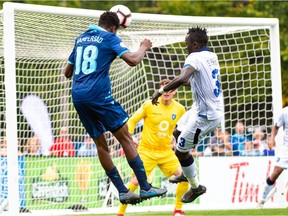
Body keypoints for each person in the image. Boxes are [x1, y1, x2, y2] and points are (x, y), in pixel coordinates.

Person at [64, 11, 167, 205]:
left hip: (78, 96)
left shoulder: (81, 39)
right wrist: (143, 47)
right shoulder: (109, 37)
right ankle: (145, 187)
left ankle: (122, 191)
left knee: (101, 144)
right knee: (125, 138)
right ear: (113, 27)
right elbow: (133, 60)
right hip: (98, 96)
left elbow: (67, 72)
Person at [152, 26, 224, 203]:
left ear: (195, 44)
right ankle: (186, 173)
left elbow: (184, 78)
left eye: (187, 44)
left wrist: (161, 90)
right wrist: (174, 82)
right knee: (177, 132)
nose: (186, 47)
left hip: (205, 116)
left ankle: (195, 187)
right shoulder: (211, 56)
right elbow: (192, 81)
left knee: (181, 151)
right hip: (200, 108)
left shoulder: (195, 56)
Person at [117, 79, 189, 216]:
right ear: (160, 90)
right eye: (164, 89)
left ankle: (178, 210)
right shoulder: (149, 105)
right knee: (135, 181)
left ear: (175, 92)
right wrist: (130, 137)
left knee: (184, 177)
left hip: (166, 152)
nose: (167, 92)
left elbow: (182, 129)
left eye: (170, 89)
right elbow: (132, 121)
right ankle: (120, 213)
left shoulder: (180, 109)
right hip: (146, 150)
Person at [258, 106, 288, 207]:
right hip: (286, 149)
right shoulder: (285, 112)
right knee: (275, 173)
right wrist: (271, 139)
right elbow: (276, 127)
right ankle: (261, 200)